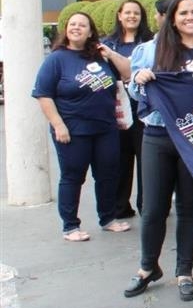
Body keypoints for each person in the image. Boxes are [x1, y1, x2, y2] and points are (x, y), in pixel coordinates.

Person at [124, 0, 193, 301]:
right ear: (172, 17)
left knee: (188, 206)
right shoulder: (150, 50)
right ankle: (148, 268)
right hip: (157, 136)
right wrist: (140, 79)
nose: (190, 17)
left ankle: (185, 271)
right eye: (183, 12)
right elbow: (135, 93)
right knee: (153, 208)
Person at [33, 12, 131, 240]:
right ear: (66, 29)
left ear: (90, 31)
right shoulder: (56, 59)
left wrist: (110, 53)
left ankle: (108, 218)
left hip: (106, 128)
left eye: (82, 25)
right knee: (73, 176)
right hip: (73, 130)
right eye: (73, 24)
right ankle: (70, 226)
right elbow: (43, 95)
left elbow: (127, 73)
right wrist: (58, 125)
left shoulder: (99, 56)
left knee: (108, 174)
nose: (76, 28)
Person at [102, 0, 154, 219]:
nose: (132, 16)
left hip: (144, 106)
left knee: (146, 158)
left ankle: (148, 205)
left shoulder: (150, 41)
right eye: (128, 13)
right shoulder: (108, 42)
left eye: (137, 13)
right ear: (119, 15)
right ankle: (120, 206)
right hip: (117, 108)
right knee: (120, 159)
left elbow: (128, 73)